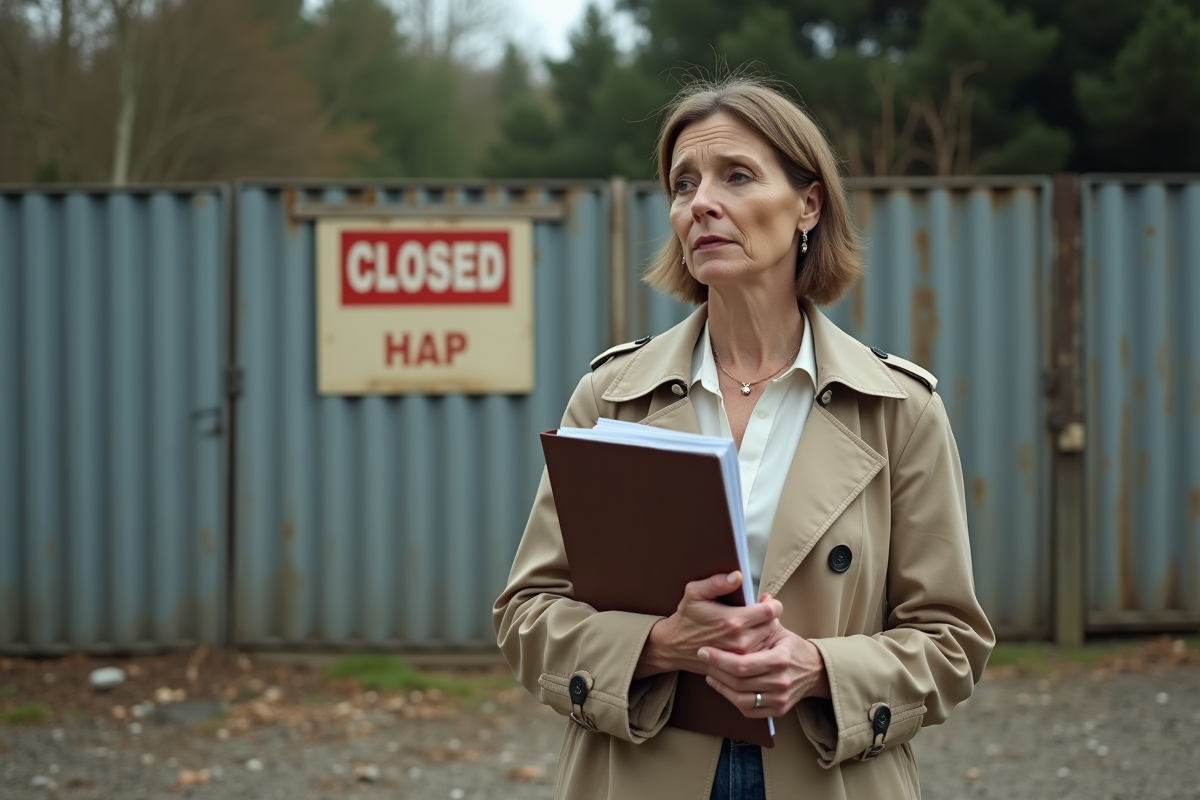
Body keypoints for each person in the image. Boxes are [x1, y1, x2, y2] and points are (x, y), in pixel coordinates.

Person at [493, 77, 994, 800]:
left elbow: (952, 640)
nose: (701, 202)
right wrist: (657, 646)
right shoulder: (611, 396)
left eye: (736, 176)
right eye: (683, 184)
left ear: (808, 205)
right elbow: (528, 611)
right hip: (639, 772)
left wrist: (818, 668)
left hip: (826, 774)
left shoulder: (898, 409)